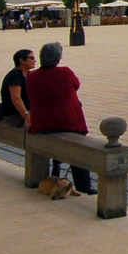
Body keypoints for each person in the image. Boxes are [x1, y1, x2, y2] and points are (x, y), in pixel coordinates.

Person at [27, 42, 93, 194]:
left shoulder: (33, 76)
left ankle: (55, 169)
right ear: (57, 58)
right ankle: (84, 185)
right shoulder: (65, 72)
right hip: (67, 122)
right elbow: (76, 85)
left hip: (42, 123)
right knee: (79, 150)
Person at [0, 48, 35, 128]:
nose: (34, 61)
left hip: (24, 112)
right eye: (32, 58)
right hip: (15, 116)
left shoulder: (28, 74)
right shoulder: (15, 75)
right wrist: (26, 115)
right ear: (22, 61)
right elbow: (16, 98)